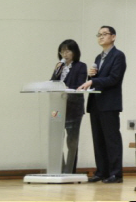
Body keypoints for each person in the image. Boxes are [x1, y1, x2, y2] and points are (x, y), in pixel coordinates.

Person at [77, 26, 127, 183]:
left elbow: (114, 78)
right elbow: (99, 79)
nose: (101, 37)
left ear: (113, 37)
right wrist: (92, 75)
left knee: (111, 139)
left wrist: (93, 80)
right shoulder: (99, 57)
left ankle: (115, 173)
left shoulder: (118, 56)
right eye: (99, 34)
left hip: (109, 104)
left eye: (104, 34)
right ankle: (102, 172)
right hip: (96, 103)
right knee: (98, 140)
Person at [50, 39, 87, 174]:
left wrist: (65, 88)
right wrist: (57, 71)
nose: (64, 54)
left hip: (73, 108)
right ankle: (59, 169)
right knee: (56, 138)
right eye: (62, 51)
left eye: (67, 50)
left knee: (71, 142)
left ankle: (69, 171)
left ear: (74, 52)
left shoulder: (81, 66)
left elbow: (79, 85)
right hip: (57, 108)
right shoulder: (59, 67)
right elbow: (51, 84)